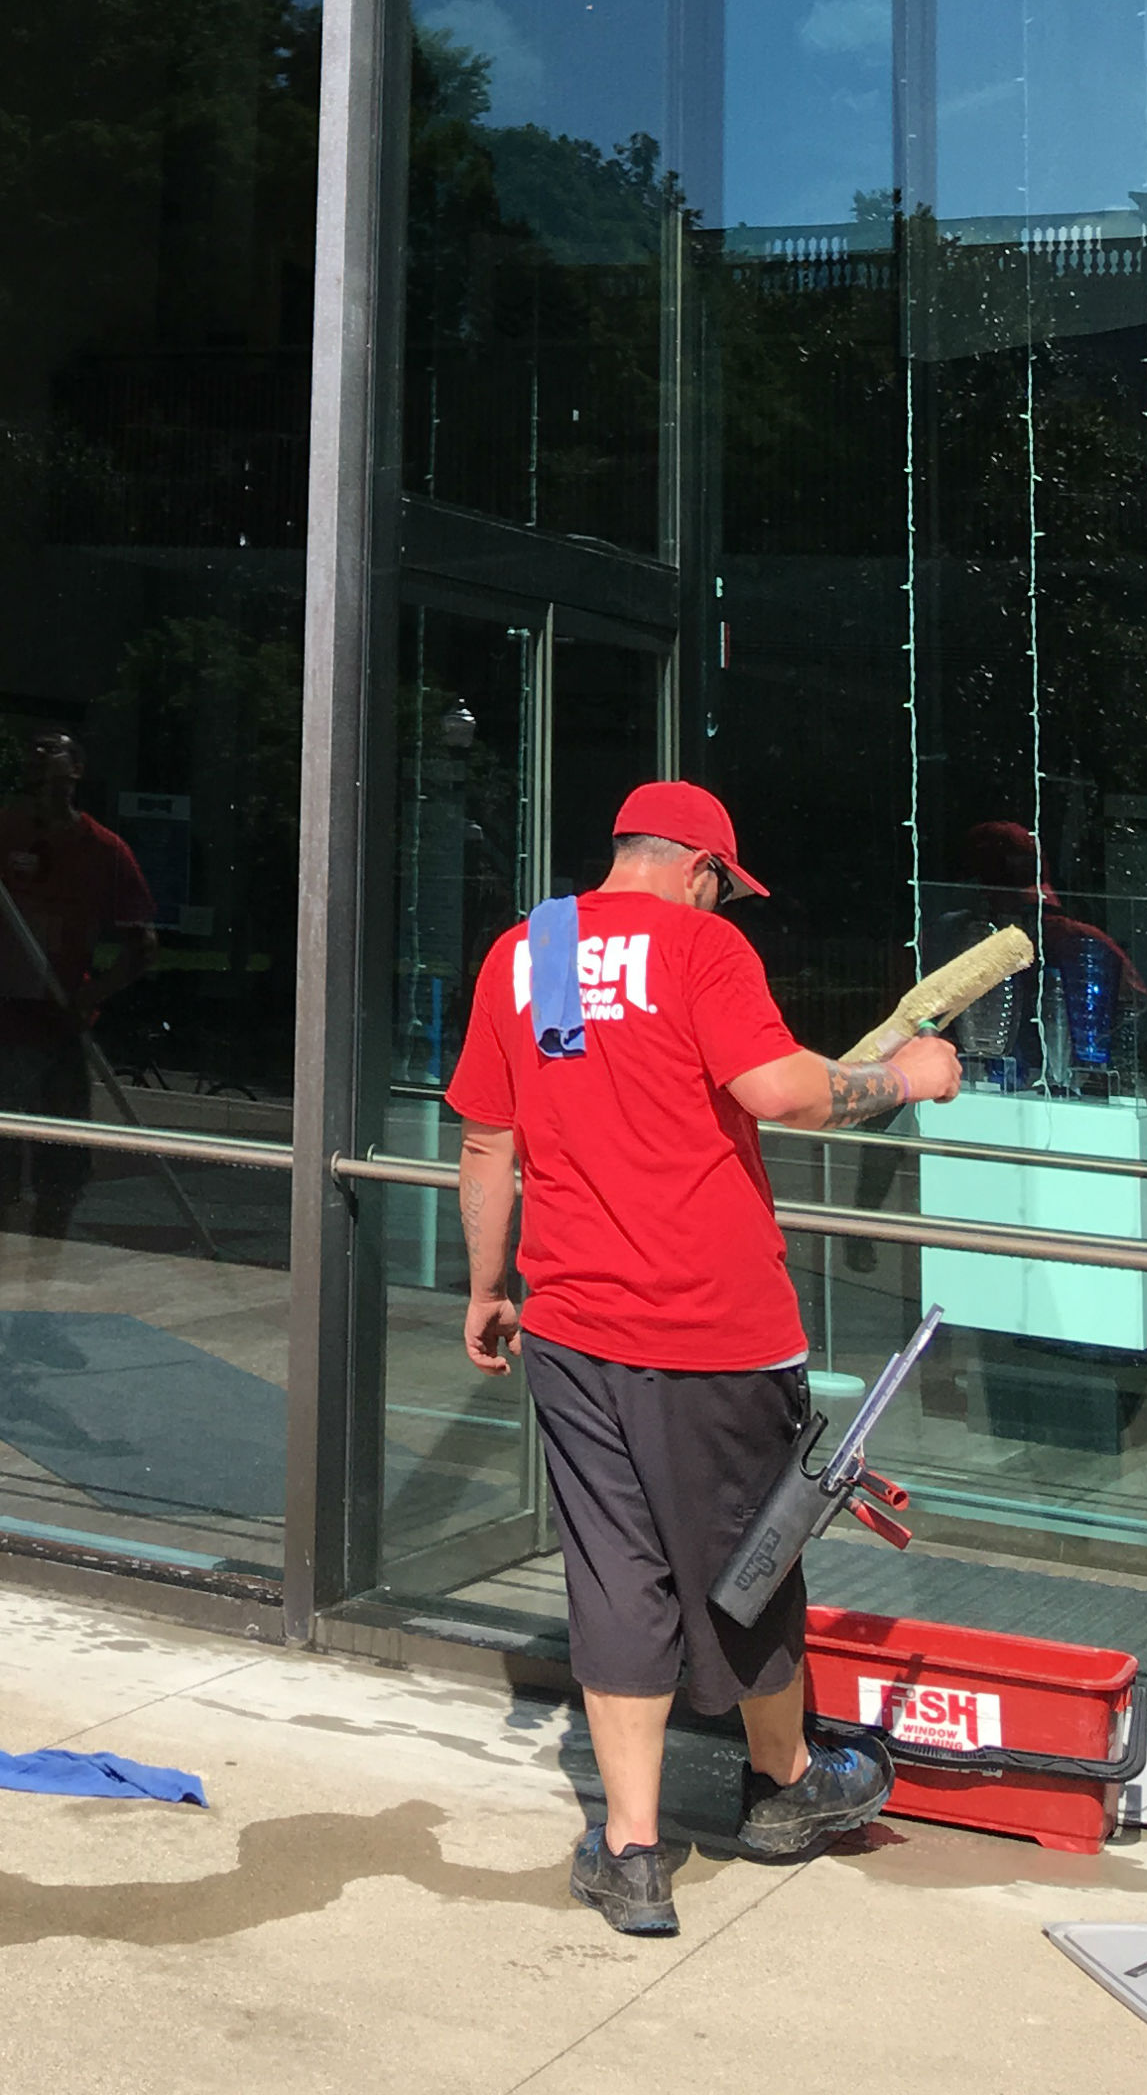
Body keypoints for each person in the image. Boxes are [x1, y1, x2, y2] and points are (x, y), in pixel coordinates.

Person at [445, 777, 962, 1940]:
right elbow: (780, 1091)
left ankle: (632, 1849)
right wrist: (908, 1080)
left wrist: (489, 1285)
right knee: (748, 1555)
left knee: (617, 1569)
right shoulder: (702, 944)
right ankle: (783, 1791)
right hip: (717, 1326)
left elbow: (488, 1136)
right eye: (725, 882)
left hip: (574, 1327)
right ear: (699, 868)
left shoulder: (525, 953)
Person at [0, 728, 159, 1239]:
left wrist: (91, 994)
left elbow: (143, 946)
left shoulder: (104, 851)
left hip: (59, 1027)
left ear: (77, 771)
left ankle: (48, 1255)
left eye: (55, 752)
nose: (42, 758)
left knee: (60, 1165)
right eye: (34, 753)